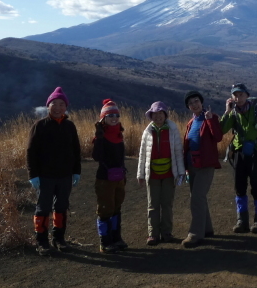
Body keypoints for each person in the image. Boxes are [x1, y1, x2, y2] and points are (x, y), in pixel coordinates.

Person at [26, 87, 81, 255]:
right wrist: (33, 175)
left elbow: (76, 150)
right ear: (48, 106)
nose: (58, 108)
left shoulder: (69, 126)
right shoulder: (40, 126)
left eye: (62, 104)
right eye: (54, 104)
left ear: (66, 107)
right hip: (45, 176)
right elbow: (31, 152)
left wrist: (76, 171)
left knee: (61, 207)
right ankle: (42, 241)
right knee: (43, 208)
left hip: (65, 175)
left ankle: (59, 239)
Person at [220, 83, 257, 234]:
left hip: (255, 154)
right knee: (239, 187)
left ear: (247, 95)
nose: (238, 98)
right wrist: (227, 112)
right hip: (239, 153)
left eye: (241, 95)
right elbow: (220, 131)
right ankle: (242, 221)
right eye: (235, 95)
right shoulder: (233, 113)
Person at [137, 101, 185, 245]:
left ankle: (166, 233)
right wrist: (140, 174)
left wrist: (181, 172)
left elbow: (178, 151)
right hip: (152, 174)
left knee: (167, 204)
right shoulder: (147, 131)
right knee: (153, 205)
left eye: (160, 113)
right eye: (155, 114)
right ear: (151, 115)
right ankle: (153, 234)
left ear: (165, 115)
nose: (158, 116)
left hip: (169, 174)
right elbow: (142, 154)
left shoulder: (172, 129)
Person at [181, 90, 223, 248]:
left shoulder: (211, 118)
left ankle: (195, 234)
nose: (194, 104)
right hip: (192, 164)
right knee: (198, 197)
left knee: (196, 198)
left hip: (206, 164)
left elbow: (218, 137)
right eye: (190, 103)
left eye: (196, 101)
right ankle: (207, 229)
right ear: (188, 107)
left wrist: (211, 120)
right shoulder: (190, 123)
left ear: (201, 102)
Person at [93, 99, 129, 253]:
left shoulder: (118, 134)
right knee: (105, 209)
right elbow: (96, 156)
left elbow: (120, 157)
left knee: (116, 208)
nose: (114, 118)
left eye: (116, 115)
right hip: (104, 178)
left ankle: (116, 238)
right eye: (110, 115)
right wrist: (99, 138)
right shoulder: (101, 136)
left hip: (119, 177)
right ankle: (105, 242)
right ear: (103, 118)